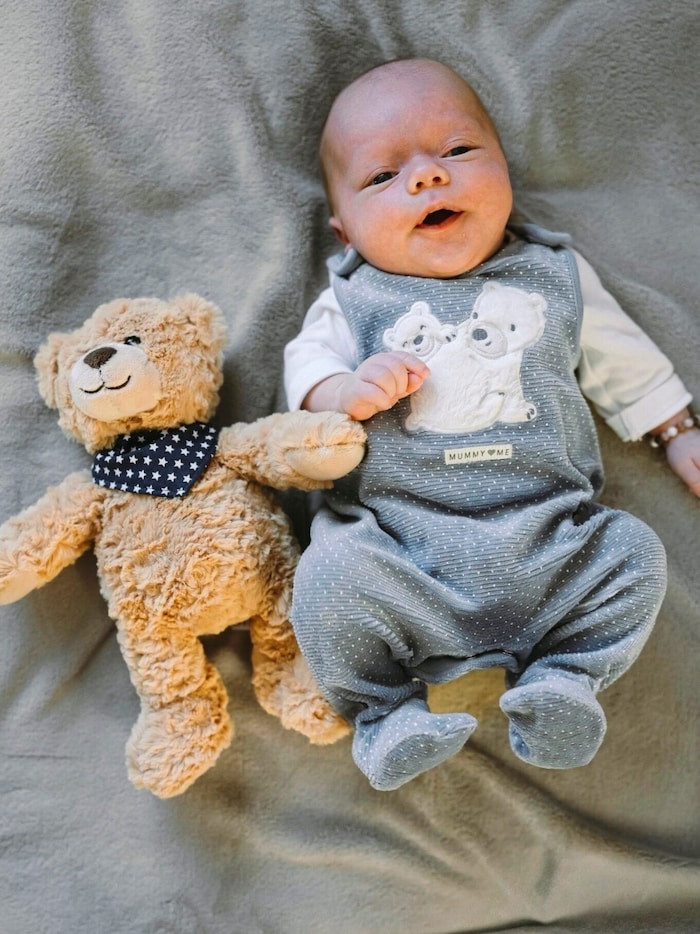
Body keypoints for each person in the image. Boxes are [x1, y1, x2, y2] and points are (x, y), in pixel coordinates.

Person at [283, 58, 700, 791]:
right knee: (325, 578)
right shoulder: (353, 297)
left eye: (457, 151)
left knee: (635, 552)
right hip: (401, 556)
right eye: (383, 177)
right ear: (345, 230)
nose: (426, 178)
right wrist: (342, 390)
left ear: (505, 166)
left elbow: (623, 360)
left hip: (551, 546)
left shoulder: (553, 275)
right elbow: (304, 376)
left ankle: (566, 679)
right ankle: (384, 714)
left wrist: (677, 430)